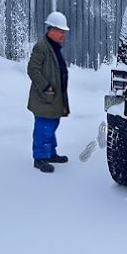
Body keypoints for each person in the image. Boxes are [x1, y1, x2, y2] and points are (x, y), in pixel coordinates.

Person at [27, 11, 71, 173]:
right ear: (50, 30)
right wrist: (46, 86)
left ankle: (50, 153)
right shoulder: (42, 47)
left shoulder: (54, 47)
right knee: (44, 127)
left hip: (54, 98)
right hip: (44, 97)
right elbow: (32, 69)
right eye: (60, 31)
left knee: (51, 125)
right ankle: (40, 158)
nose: (63, 34)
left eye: (64, 31)